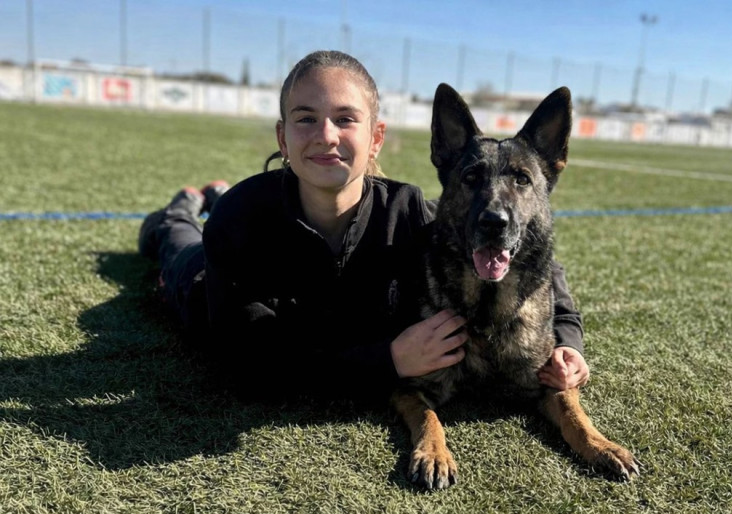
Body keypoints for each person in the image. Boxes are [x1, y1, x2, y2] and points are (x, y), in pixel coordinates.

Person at [137, 50, 588, 403]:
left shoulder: (408, 210)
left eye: (345, 119)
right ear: (283, 138)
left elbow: (529, 257)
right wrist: (388, 360)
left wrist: (567, 341)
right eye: (306, 118)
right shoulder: (240, 219)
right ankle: (183, 206)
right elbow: (255, 368)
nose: (326, 135)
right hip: (194, 285)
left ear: (375, 138)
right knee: (176, 240)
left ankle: (203, 197)